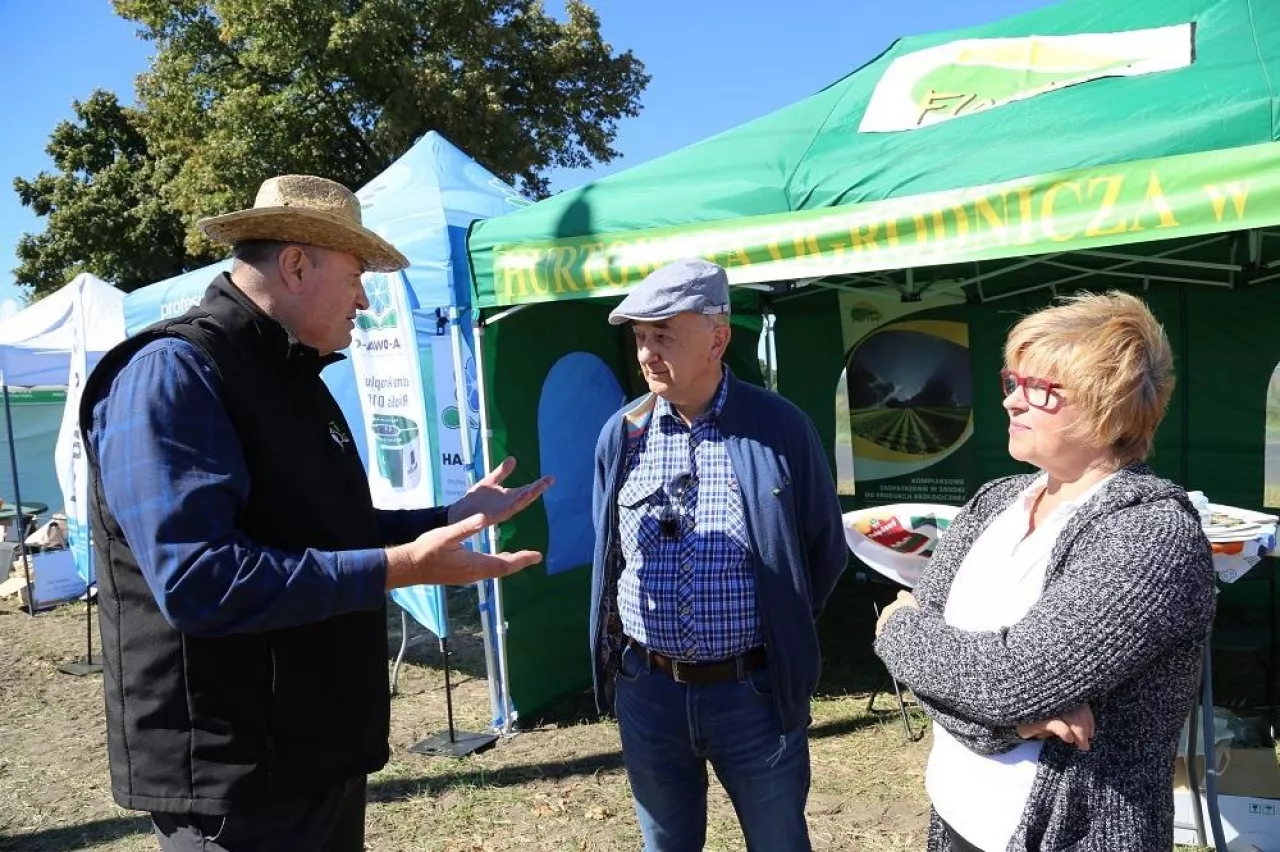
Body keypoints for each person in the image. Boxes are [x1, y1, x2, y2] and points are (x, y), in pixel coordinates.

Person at [80, 174, 552, 852]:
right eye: (357, 275)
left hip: (308, 756)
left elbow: (328, 531)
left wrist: (446, 517)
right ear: (297, 264)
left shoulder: (292, 376)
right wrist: (397, 568)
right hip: (236, 783)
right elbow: (198, 581)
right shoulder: (174, 372)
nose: (364, 298)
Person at [873, 291, 1216, 852]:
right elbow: (970, 682)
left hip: (1072, 835)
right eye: (1012, 382)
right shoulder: (996, 501)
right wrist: (1007, 721)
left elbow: (1005, 680)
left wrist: (896, 628)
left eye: (1039, 389)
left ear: (1111, 404)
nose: (1011, 402)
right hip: (958, 812)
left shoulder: (1150, 534)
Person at [589, 258, 847, 852]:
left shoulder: (780, 427)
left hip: (751, 692)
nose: (648, 354)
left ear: (718, 337)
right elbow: (610, 556)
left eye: (664, 336)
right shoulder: (621, 433)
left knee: (779, 841)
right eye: (641, 338)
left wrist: (783, 633)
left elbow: (822, 549)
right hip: (648, 691)